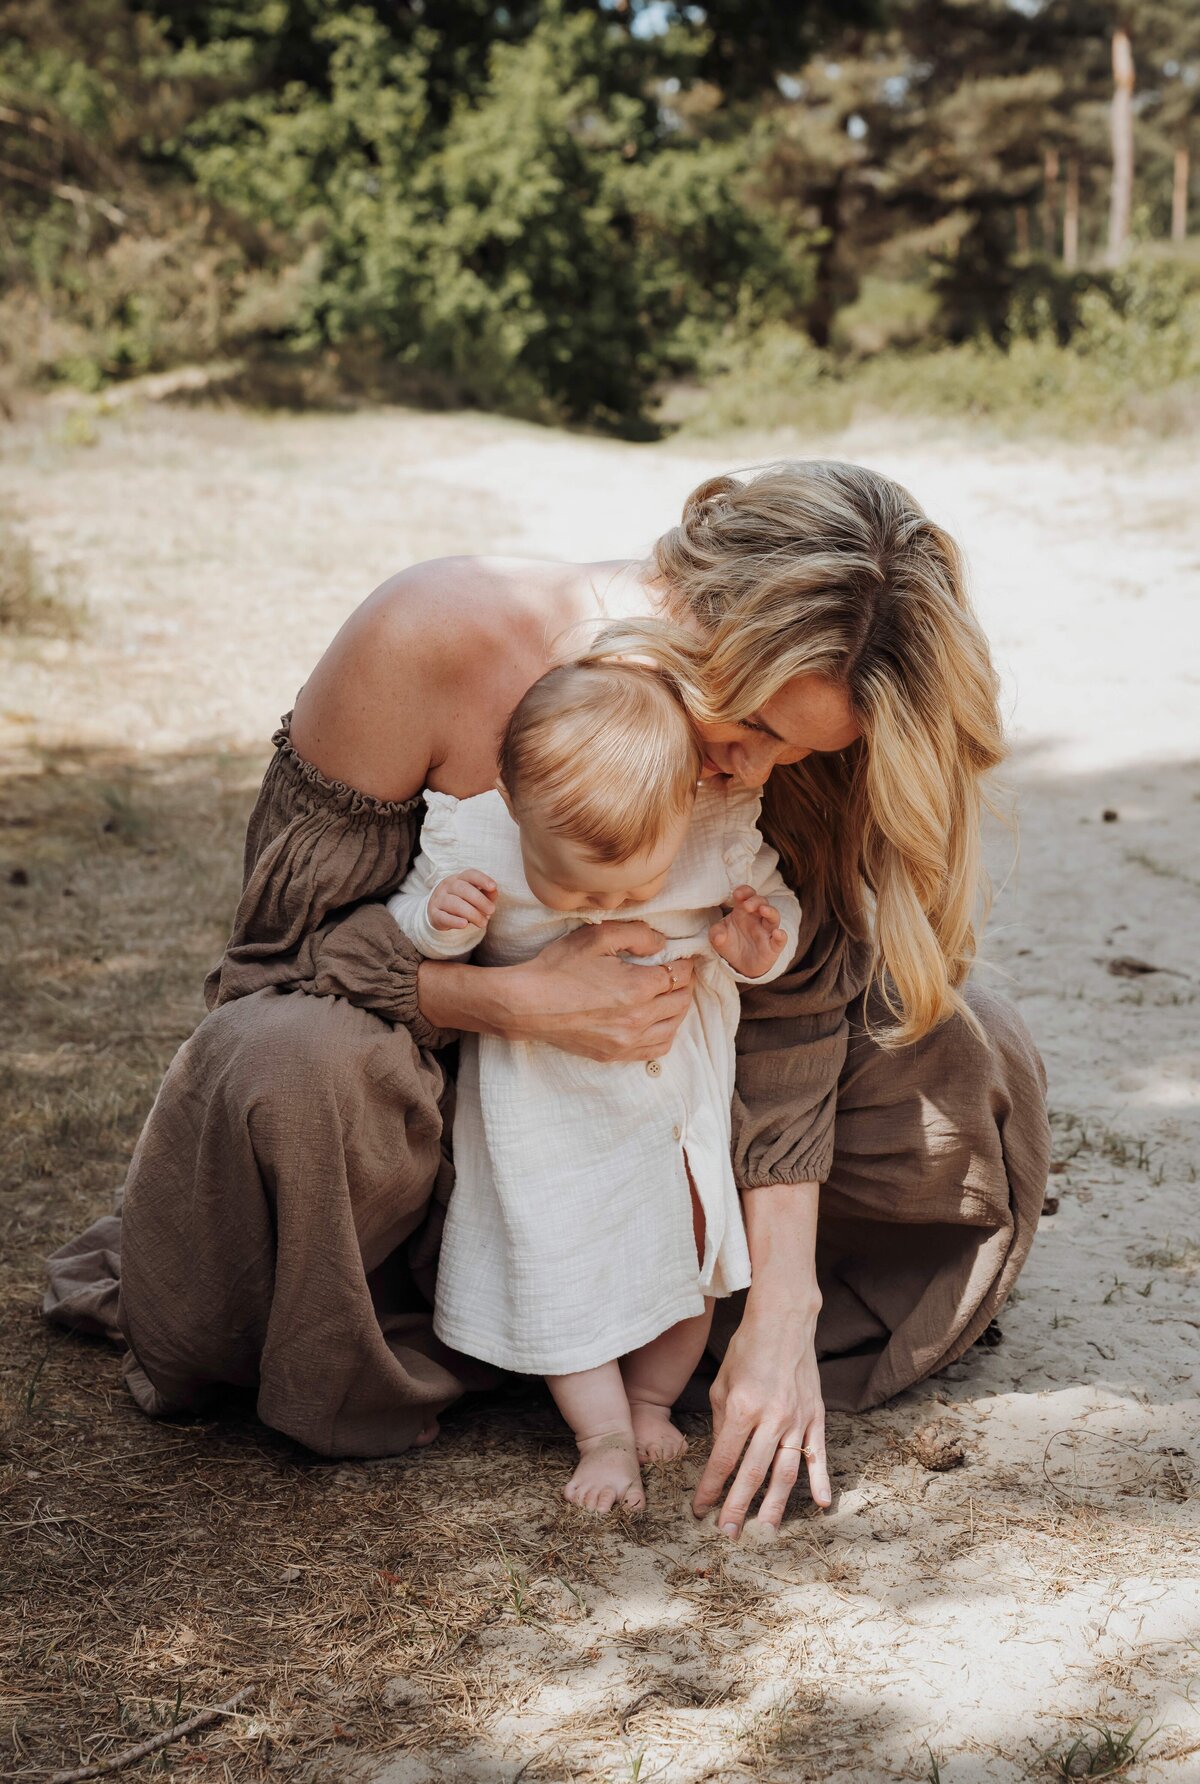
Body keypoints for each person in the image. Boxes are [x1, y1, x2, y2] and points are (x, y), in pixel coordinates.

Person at [44, 459, 1051, 1541]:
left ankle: (670, 1314)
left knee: (966, 1045)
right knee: (283, 1071)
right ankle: (454, 1310)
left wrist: (787, 1306)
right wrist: (517, 1002)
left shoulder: (801, 725)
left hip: (679, 1119)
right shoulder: (436, 633)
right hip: (433, 1120)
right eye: (751, 724)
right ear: (692, 609)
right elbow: (273, 970)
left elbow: (801, 1007)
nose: (758, 771)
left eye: (801, 752)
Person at [388, 655, 800, 1514]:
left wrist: (761, 946)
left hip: (672, 1102)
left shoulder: (710, 826)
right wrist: (441, 920)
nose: (602, 904)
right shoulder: (478, 839)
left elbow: (772, 905)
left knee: (696, 1254)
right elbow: (408, 933)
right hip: (550, 1106)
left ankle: (650, 1398)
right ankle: (602, 1434)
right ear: (511, 802)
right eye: (571, 884)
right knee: (560, 1256)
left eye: (635, 885)